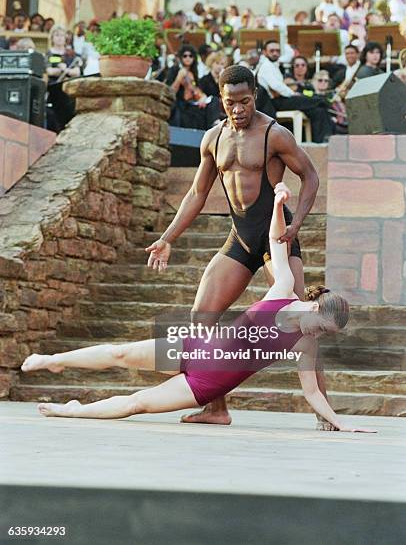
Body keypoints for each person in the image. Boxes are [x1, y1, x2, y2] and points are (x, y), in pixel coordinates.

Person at [20, 183, 374, 434]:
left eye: (324, 334)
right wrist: (279, 203)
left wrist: (341, 422)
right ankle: (54, 361)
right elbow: (275, 243)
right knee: (120, 352)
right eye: (320, 326)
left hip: (204, 382)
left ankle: (73, 411)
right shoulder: (282, 291)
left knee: (136, 403)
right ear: (314, 305)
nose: (317, 334)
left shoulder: (304, 344)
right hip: (194, 347)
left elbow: (312, 392)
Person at [145, 65, 337, 428]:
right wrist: (168, 238)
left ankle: (323, 409)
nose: (238, 110)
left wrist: (296, 224)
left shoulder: (274, 135)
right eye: (231, 102)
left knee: (302, 322)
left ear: (255, 96)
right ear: (221, 98)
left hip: (276, 241)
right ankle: (216, 408)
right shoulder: (213, 138)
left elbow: (310, 175)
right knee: (200, 315)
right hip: (239, 238)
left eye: (245, 101)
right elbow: (197, 194)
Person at [256, 40, 334, 143]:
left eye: (277, 50)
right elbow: (277, 86)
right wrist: (293, 93)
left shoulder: (274, 66)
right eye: (272, 51)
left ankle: (324, 139)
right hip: (276, 102)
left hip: (282, 98)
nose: (275, 53)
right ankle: (324, 102)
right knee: (316, 100)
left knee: (319, 111)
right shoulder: (266, 66)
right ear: (265, 52)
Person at [165, 44, 218, 130]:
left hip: (192, 104)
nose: (188, 58)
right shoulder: (174, 70)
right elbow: (170, 92)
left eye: (191, 56)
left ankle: (213, 127)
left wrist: (202, 98)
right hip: (180, 104)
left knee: (213, 101)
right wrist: (179, 78)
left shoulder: (194, 73)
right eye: (185, 56)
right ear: (181, 57)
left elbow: (197, 91)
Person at [46, 24, 82, 132]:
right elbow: (49, 70)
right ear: (52, 37)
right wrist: (61, 70)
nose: (60, 38)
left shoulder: (71, 53)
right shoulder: (49, 54)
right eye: (57, 35)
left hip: (69, 90)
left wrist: (67, 70)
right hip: (54, 89)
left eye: (62, 35)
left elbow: (77, 71)